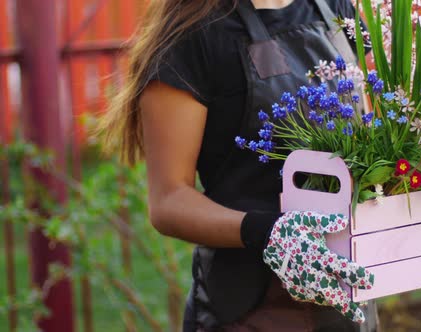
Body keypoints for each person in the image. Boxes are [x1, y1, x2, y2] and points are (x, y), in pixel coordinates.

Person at [98, 0, 377, 331]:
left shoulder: (335, 9)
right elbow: (168, 200)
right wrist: (269, 233)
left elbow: (371, 134)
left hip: (348, 300)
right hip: (250, 308)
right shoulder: (191, 39)